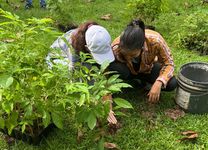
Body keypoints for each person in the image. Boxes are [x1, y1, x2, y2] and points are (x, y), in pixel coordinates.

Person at [47, 21, 117, 124]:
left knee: (92, 72)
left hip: (80, 56)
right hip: (58, 58)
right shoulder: (74, 45)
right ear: (87, 47)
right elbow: (75, 77)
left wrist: (107, 94)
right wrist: (95, 102)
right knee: (86, 75)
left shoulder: (100, 35)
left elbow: (104, 68)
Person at [110, 19, 177, 104]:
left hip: (147, 69)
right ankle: (131, 81)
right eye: (125, 54)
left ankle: (145, 82)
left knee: (172, 83)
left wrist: (159, 82)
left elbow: (169, 63)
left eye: (133, 55)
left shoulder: (156, 41)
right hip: (128, 70)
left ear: (142, 47)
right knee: (113, 67)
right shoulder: (116, 46)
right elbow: (106, 66)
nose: (129, 58)